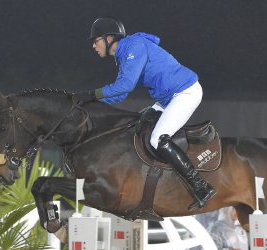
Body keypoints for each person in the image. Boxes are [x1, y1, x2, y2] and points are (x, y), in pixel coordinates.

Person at [76, 17, 216, 210]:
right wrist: (91, 101)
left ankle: (201, 186)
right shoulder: (124, 54)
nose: (93, 45)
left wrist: (92, 94)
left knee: (157, 138)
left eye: (95, 40)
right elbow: (120, 94)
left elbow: (124, 85)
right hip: (169, 98)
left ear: (109, 38)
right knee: (141, 122)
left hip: (185, 93)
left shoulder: (133, 45)